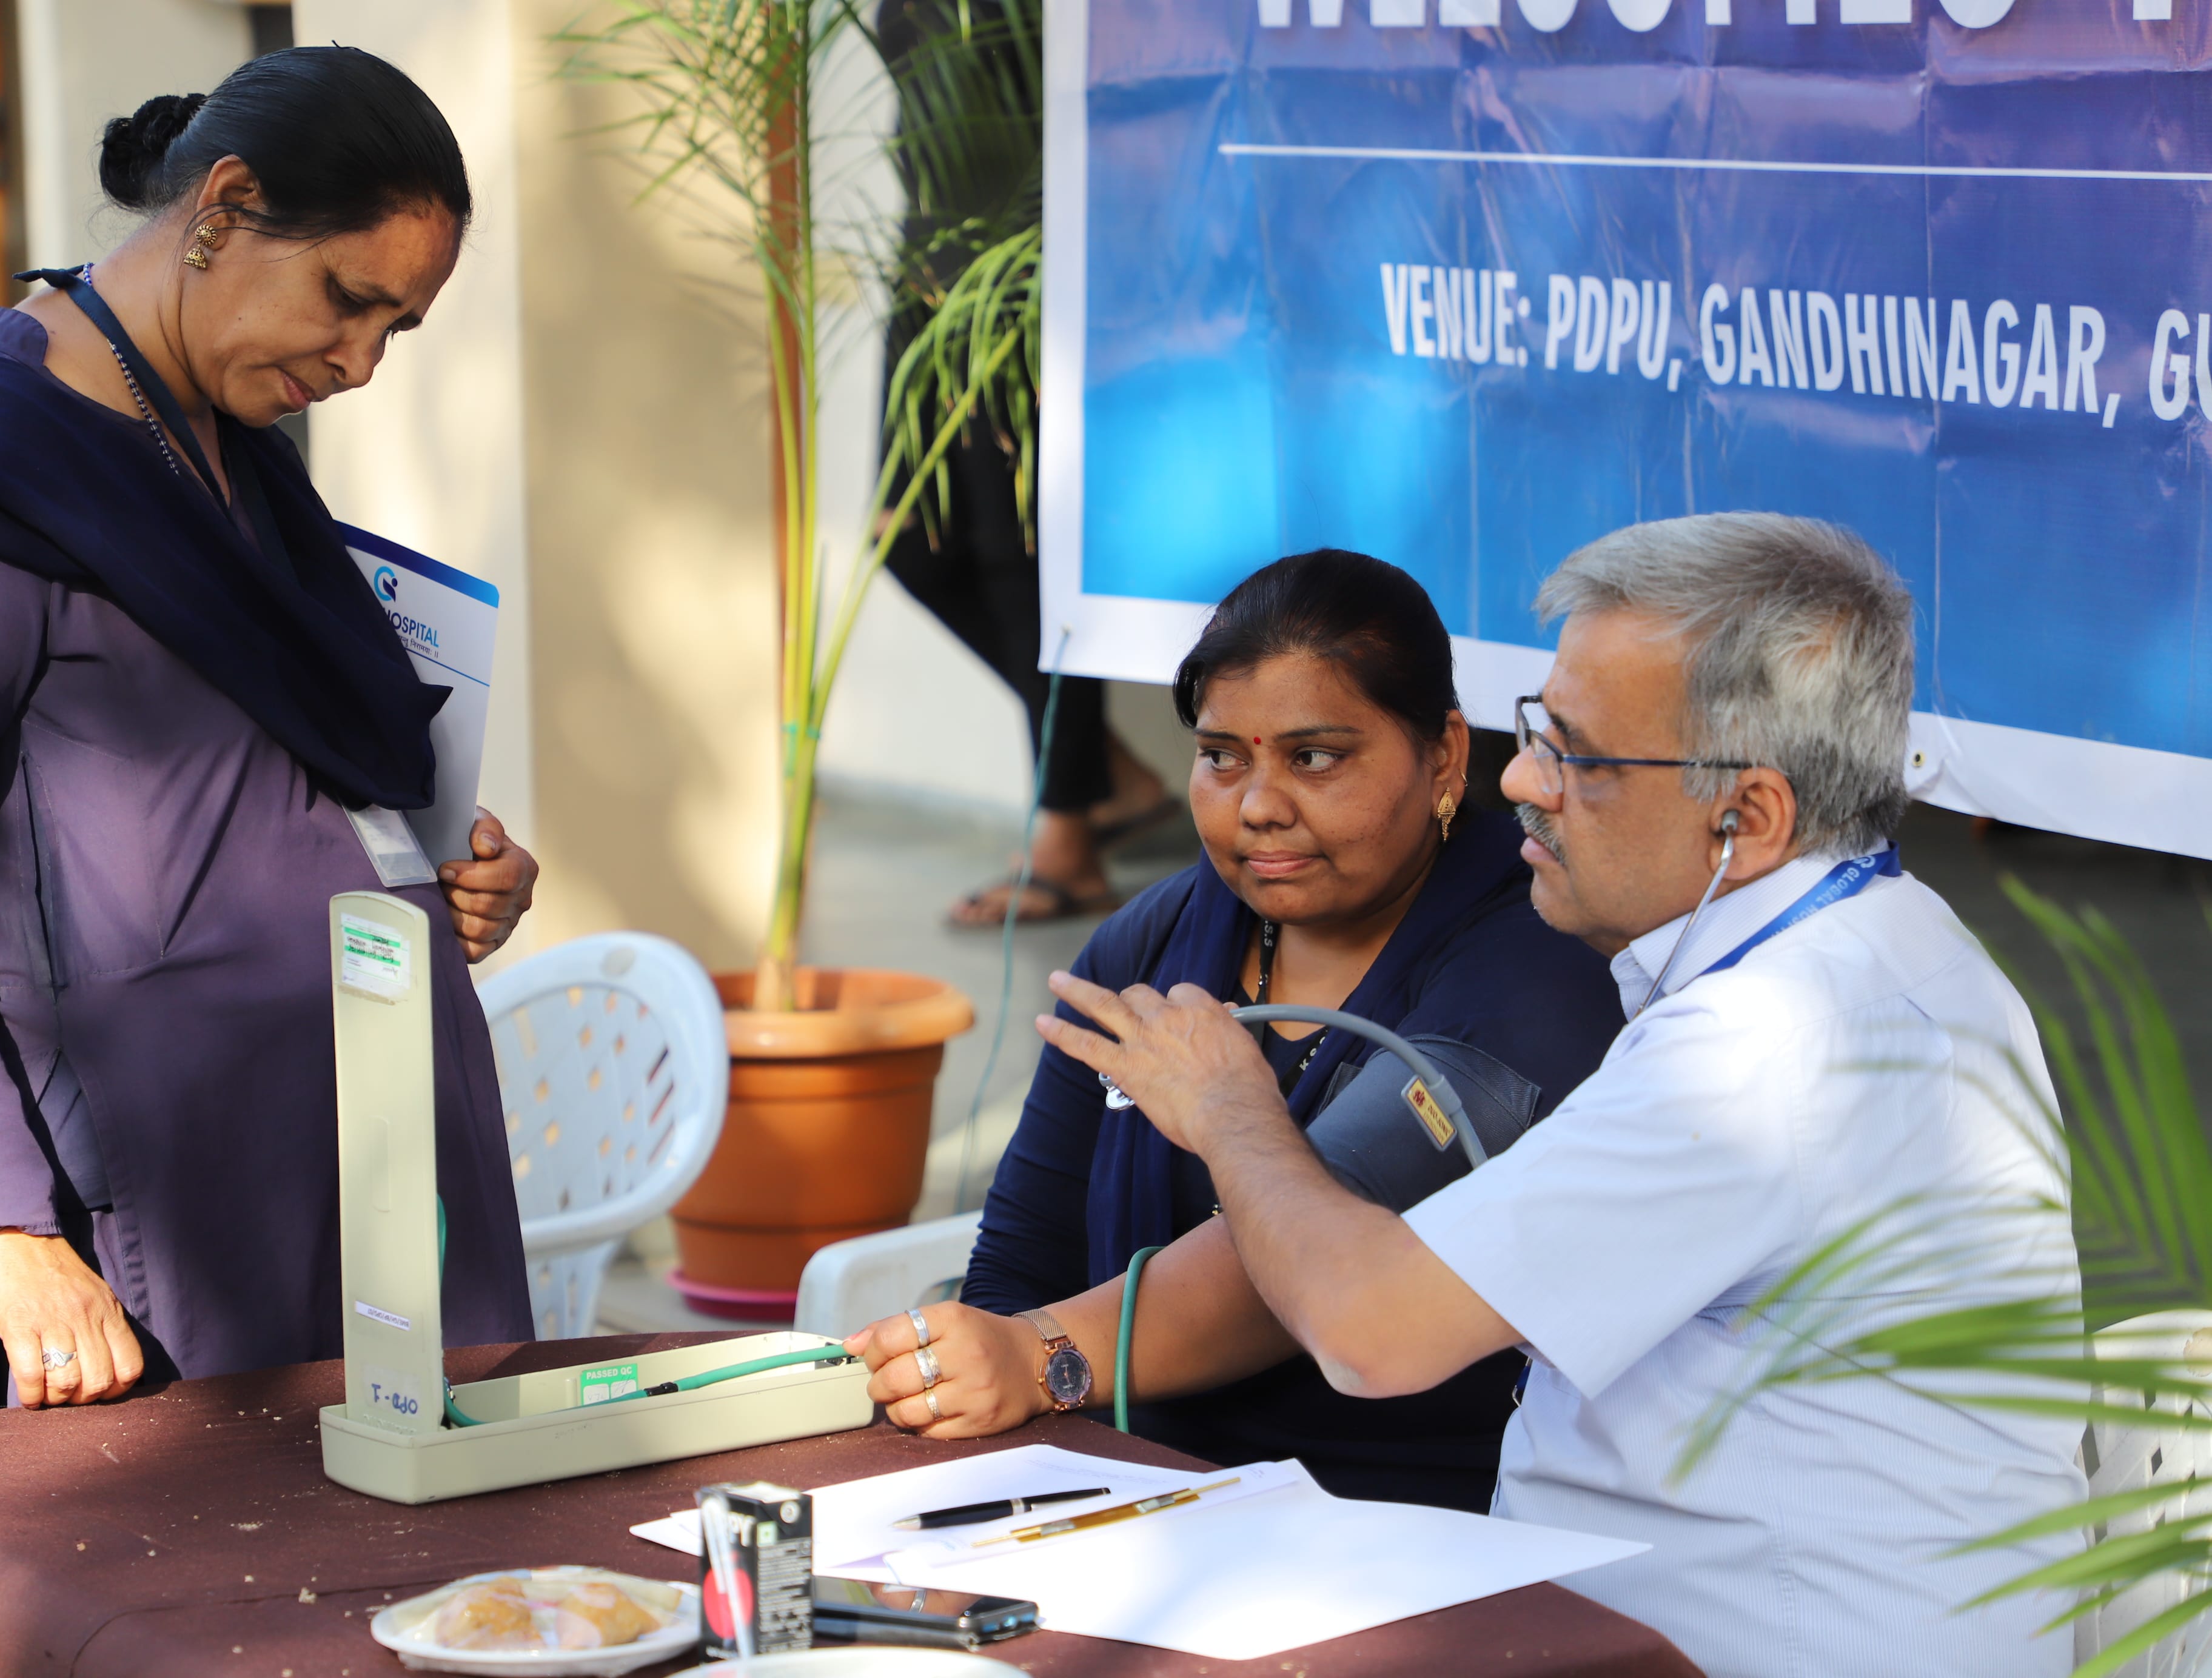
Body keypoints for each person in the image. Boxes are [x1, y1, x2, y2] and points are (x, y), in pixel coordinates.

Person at [863, 514, 2083, 1677]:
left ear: (1747, 814)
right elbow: (1017, 1259)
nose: (1525, 787)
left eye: (1578, 758)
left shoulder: (1765, 1041)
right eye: (1535, 733)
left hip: (1739, 1647)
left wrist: (1230, 1106)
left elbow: (1370, 1328)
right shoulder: (1876, 942)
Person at [0, 48, 540, 1502]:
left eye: (398, 328)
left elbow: (283, 750)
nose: (359, 362)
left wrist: (442, 863)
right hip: (121, 1225)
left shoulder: (216, 441)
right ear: (223, 207)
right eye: (350, 299)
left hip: (332, 1190)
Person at [861, 549, 1624, 1507]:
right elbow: (1023, 1261)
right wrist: (970, 1365)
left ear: (1446, 757)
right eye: (1223, 756)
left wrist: (1037, 1358)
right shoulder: (1153, 943)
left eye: (1315, 758)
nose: (1259, 806)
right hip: (1119, 1500)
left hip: (1401, 1531)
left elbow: (1312, 1248)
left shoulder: (1533, 961)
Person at [874, 0, 1175, 928]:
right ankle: (1104, 777)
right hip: (933, 259)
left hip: (1030, 263)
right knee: (910, 547)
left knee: (1022, 555)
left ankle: (1067, 839)